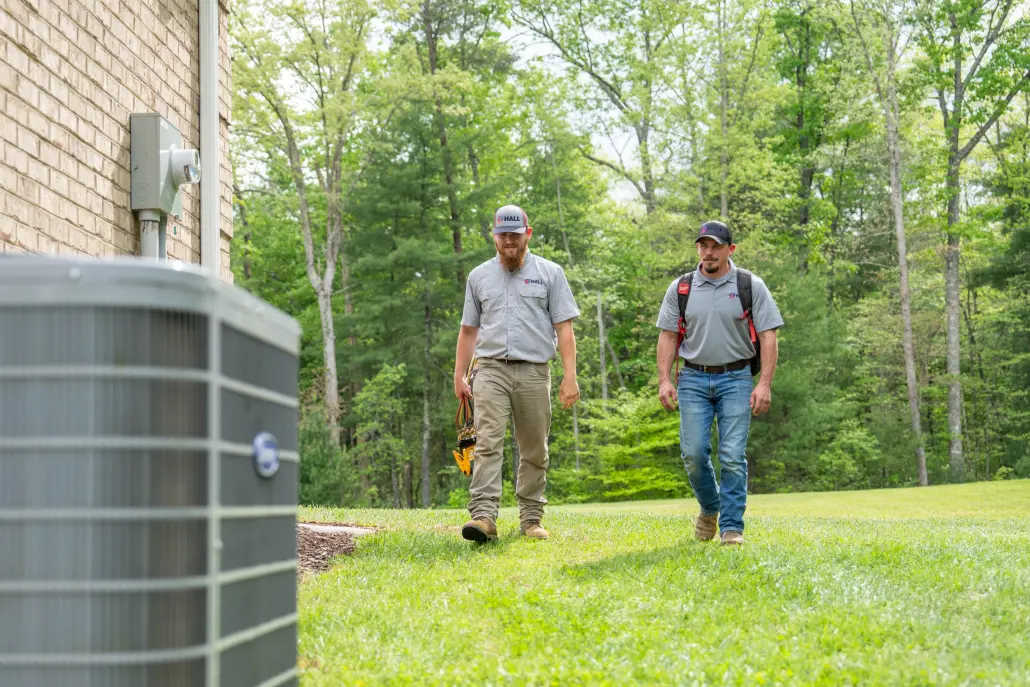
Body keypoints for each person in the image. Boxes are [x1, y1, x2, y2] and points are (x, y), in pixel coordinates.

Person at [454, 204, 581, 542]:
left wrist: (570, 376)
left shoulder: (550, 273)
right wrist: (458, 375)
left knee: (534, 448)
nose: (508, 241)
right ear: (494, 237)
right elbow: (468, 330)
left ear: (528, 233)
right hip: (490, 370)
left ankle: (531, 518)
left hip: (534, 372)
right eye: (502, 235)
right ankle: (483, 517)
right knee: (488, 444)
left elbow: (564, 329)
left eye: (514, 234)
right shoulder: (479, 276)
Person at [654, 220, 783, 545]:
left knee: (731, 454)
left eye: (716, 246)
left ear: (730, 249)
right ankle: (710, 507)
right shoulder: (681, 288)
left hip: (737, 378)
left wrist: (764, 383)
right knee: (694, 453)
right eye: (703, 245)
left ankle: (731, 528)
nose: (709, 252)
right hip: (693, 378)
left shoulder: (749, 285)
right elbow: (668, 336)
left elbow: (768, 335)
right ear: (698, 247)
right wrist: (664, 380)